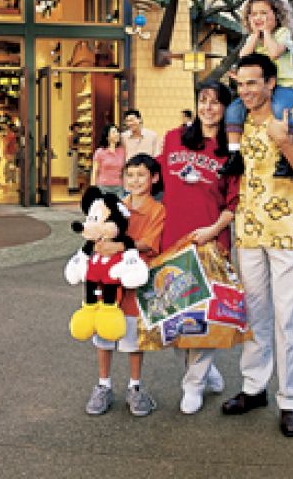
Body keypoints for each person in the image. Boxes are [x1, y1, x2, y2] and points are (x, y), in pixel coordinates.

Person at [220, 54, 293, 438]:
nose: (246, 91)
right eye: (241, 84)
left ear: (269, 84)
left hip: (287, 232)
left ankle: (291, 400)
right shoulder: (238, 125)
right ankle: (254, 388)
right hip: (248, 232)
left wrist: (286, 145)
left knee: (289, 318)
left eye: (253, 83)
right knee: (254, 314)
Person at [157, 79, 239, 415]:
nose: (208, 107)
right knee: (176, 321)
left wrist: (212, 230)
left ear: (226, 108)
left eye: (216, 102)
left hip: (210, 242)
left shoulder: (231, 151)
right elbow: (155, 181)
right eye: (203, 100)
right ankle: (205, 371)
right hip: (172, 241)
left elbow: (234, 203)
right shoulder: (174, 138)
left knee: (205, 319)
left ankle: (193, 384)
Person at [84, 154, 166, 416]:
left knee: (133, 339)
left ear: (154, 178)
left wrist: (119, 245)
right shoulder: (116, 205)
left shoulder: (157, 210)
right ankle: (103, 385)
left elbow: (150, 242)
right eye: (130, 175)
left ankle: (135, 386)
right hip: (106, 283)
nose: (135, 180)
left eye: (141, 175)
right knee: (104, 334)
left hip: (136, 283)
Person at [224, 0, 293, 178]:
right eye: (254, 14)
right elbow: (243, 57)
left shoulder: (282, 34)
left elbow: (274, 53)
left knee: (280, 109)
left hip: (283, 86)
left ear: (277, 15)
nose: (258, 17)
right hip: (259, 88)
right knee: (233, 110)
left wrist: (265, 33)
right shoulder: (252, 38)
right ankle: (234, 154)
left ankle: (287, 156)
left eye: (264, 13)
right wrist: (255, 35)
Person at [91, 124, 125, 196]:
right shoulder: (100, 152)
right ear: (107, 137)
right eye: (114, 132)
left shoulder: (122, 151)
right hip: (103, 187)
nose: (117, 134)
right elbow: (95, 171)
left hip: (118, 188)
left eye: (117, 132)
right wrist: (93, 189)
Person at [67, 123, 81, 194]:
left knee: (75, 169)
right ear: (74, 127)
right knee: (72, 170)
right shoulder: (70, 134)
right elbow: (70, 145)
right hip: (72, 152)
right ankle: (71, 187)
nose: (78, 128)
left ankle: (75, 186)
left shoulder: (76, 134)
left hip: (75, 152)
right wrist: (78, 147)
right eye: (77, 127)